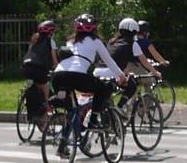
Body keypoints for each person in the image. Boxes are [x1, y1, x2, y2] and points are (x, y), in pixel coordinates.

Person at [50, 14, 126, 142]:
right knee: (102, 89)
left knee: (71, 112)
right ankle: (93, 120)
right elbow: (109, 61)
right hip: (77, 75)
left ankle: (63, 145)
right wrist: (121, 75)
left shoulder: (70, 41)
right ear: (94, 28)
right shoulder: (96, 42)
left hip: (58, 76)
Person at [99, 18, 161, 105]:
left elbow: (114, 58)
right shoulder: (133, 44)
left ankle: (110, 113)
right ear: (135, 31)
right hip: (112, 73)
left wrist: (125, 71)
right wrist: (155, 72)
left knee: (107, 94)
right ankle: (120, 107)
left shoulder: (112, 41)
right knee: (132, 87)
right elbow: (144, 61)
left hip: (98, 70)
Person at [21, 20, 59, 124]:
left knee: (35, 87)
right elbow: (55, 61)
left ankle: (34, 110)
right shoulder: (50, 41)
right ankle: (45, 112)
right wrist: (59, 69)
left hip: (26, 68)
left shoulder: (34, 40)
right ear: (51, 32)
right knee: (45, 90)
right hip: (39, 69)